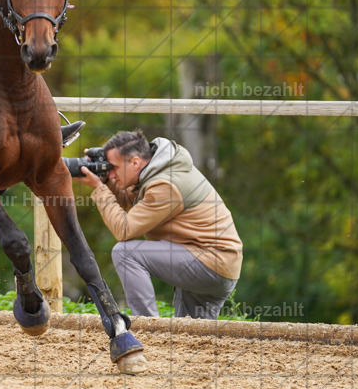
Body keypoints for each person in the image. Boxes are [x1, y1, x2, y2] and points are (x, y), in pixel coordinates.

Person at [73, 130, 243, 319]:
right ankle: (160, 331)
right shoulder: (159, 169)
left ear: (135, 162)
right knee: (191, 334)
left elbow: (124, 230)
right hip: (215, 263)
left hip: (209, 262)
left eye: (113, 167)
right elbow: (134, 202)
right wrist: (105, 180)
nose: (112, 173)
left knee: (125, 252)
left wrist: (99, 189)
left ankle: (149, 326)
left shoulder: (166, 185)